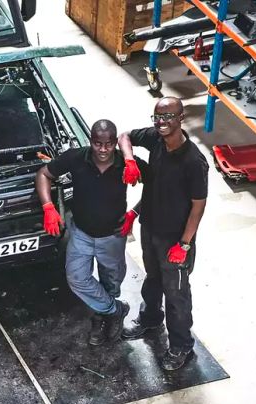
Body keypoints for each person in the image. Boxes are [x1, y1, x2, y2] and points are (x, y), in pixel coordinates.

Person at [35, 120, 146, 346]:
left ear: (115, 143)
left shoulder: (127, 164)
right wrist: (48, 206)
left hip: (113, 236)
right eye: (97, 143)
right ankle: (115, 310)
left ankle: (101, 315)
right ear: (90, 141)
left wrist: (135, 213)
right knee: (76, 277)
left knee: (111, 283)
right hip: (82, 234)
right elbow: (43, 174)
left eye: (108, 144)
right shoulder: (76, 158)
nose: (103, 150)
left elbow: (159, 186)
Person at [118, 97, 209, 371]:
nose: (161, 122)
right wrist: (130, 160)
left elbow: (198, 206)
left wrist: (184, 244)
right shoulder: (156, 140)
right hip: (152, 229)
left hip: (175, 239)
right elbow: (124, 136)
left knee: (177, 294)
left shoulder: (193, 161)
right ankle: (150, 319)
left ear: (181, 118)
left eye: (168, 117)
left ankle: (181, 346)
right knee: (153, 279)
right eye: (157, 117)